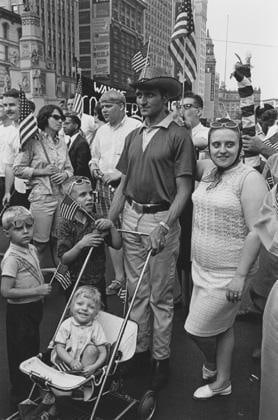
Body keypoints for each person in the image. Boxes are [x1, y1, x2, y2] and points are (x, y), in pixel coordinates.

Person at [109, 67, 196, 390]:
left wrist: (165, 225)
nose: (142, 100)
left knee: (160, 295)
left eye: (150, 95)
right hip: (131, 218)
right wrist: (111, 216)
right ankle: (139, 353)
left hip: (161, 221)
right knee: (136, 293)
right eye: (140, 95)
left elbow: (184, 190)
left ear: (165, 98)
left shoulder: (178, 135)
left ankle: (162, 359)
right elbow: (123, 183)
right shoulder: (133, 135)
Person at [184, 118, 267, 399]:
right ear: (208, 147)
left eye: (229, 144)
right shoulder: (207, 170)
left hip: (229, 272)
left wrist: (240, 276)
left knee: (196, 330)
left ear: (240, 147)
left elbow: (257, 231)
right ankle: (223, 380)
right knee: (223, 326)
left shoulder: (250, 179)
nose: (222, 150)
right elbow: (178, 158)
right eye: (216, 144)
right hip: (202, 267)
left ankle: (211, 364)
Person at [90, 90, 141, 296]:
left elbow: (139, 160)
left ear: (122, 106)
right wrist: (93, 167)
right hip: (103, 187)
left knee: (128, 233)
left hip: (127, 187)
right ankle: (119, 278)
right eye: (102, 107)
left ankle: (132, 281)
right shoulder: (101, 131)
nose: (104, 110)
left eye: (108, 106)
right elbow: (95, 156)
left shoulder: (136, 127)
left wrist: (119, 174)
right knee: (110, 233)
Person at [0, 206, 52, 405]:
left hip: (33, 309)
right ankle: (22, 392)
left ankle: (30, 384)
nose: (26, 232)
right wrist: (37, 291)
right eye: (19, 228)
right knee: (20, 351)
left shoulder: (30, 248)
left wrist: (46, 271)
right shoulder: (12, 258)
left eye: (29, 226)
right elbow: (5, 291)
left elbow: (31, 271)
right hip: (19, 312)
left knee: (31, 347)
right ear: (7, 232)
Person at [13, 104, 73, 264]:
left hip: (61, 196)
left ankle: (60, 277)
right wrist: (42, 172)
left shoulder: (62, 142)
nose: (61, 121)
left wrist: (64, 175)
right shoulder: (33, 141)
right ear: (45, 118)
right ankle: (34, 277)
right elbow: (17, 169)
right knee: (40, 243)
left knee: (60, 241)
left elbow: (70, 168)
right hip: (41, 198)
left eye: (62, 118)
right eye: (56, 117)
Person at [57, 176, 122, 304]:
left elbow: (117, 245)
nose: (89, 198)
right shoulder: (65, 223)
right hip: (76, 281)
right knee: (80, 314)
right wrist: (81, 244)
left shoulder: (96, 219)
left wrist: (112, 226)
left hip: (98, 280)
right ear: (70, 200)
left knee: (99, 312)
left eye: (91, 193)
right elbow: (64, 258)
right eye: (82, 195)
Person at [51, 285, 107, 376]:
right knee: (55, 381)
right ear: (72, 306)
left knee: (92, 349)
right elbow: (59, 347)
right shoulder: (67, 324)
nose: (84, 308)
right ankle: (66, 380)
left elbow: (103, 352)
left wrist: (94, 367)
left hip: (85, 365)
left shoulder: (95, 327)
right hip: (65, 361)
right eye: (80, 304)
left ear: (96, 312)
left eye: (91, 307)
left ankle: (80, 378)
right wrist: (71, 361)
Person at [2, 89, 30, 209]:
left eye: (12, 105)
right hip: (20, 189)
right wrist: (8, 192)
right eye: (5, 105)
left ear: (22, 105)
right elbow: (9, 165)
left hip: (40, 190)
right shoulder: (10, 132)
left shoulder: (35, 128)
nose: (8, 109)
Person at [180, 91, 209, 159]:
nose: (181, 110)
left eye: (187, 106)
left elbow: (205, 142)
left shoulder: (207, 132)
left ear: (198, 112)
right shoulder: (173, 132)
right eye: (179, 107)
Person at [62, 112, 92, 179]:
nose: (63, 126)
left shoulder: (81, 143)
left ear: (76, 126)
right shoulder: (69, 141)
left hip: (78, 182)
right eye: (63, 124)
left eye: (67, 123)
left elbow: (81, 168)